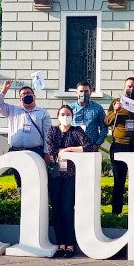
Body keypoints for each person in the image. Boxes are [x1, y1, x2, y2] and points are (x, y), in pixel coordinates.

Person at [45, 105, 93, 258]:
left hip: (70, 176)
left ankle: (70, 244)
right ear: (58, 116)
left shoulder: (76, 131)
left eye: (68, 114)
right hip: (55, 175)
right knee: (56, 209)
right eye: (62, 114)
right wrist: (60, 151)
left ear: (72, 116)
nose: (65, 117)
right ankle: (61, 244)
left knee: (67, 208)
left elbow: (89, 146)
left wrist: (69, 149)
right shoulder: (52, 131)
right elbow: (52, 150)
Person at [104, 77, 134, 215]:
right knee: (118, 181)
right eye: (129, 86)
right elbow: (106, 122)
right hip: (119, 145)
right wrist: (115, 112)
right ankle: (116, 213)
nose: (132, 89)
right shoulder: (116, 102)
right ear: (124, 87)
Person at [0, 81, 52, 187]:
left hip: (35, 151)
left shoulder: (43, 113)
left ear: (34, 96)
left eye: (28, 93)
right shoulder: (12, 110)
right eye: (23, 94)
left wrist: (47, 152)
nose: (26, 95)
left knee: (35, 180)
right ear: (20, 98)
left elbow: (48, 135)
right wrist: (4, 90)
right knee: (19, 181)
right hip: (15, 151)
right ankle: (22, 201)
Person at [69, 81, 108, 151]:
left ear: (91, 92)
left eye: (86, 91)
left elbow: (104, 128)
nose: (83, 93)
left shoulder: (98, 108)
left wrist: (97, 144)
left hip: (91, 147)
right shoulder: (70, 109)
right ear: (76, 92)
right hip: (73, 147)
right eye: (81, 91)